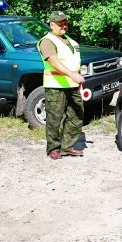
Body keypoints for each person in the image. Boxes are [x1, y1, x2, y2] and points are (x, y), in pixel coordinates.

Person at [37, 11, 86, 160]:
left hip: (72, 85)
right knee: (54, 118)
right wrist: (72, 75)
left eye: (65, 22)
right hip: (56, 86)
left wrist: (78, 82)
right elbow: (53, 61)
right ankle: (53, 148)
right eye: (60, 23)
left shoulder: (70, 40)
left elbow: (74, 64)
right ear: (52, 25)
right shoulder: (47, 41)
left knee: (77, 115)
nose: (64, 25)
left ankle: (68, 146)